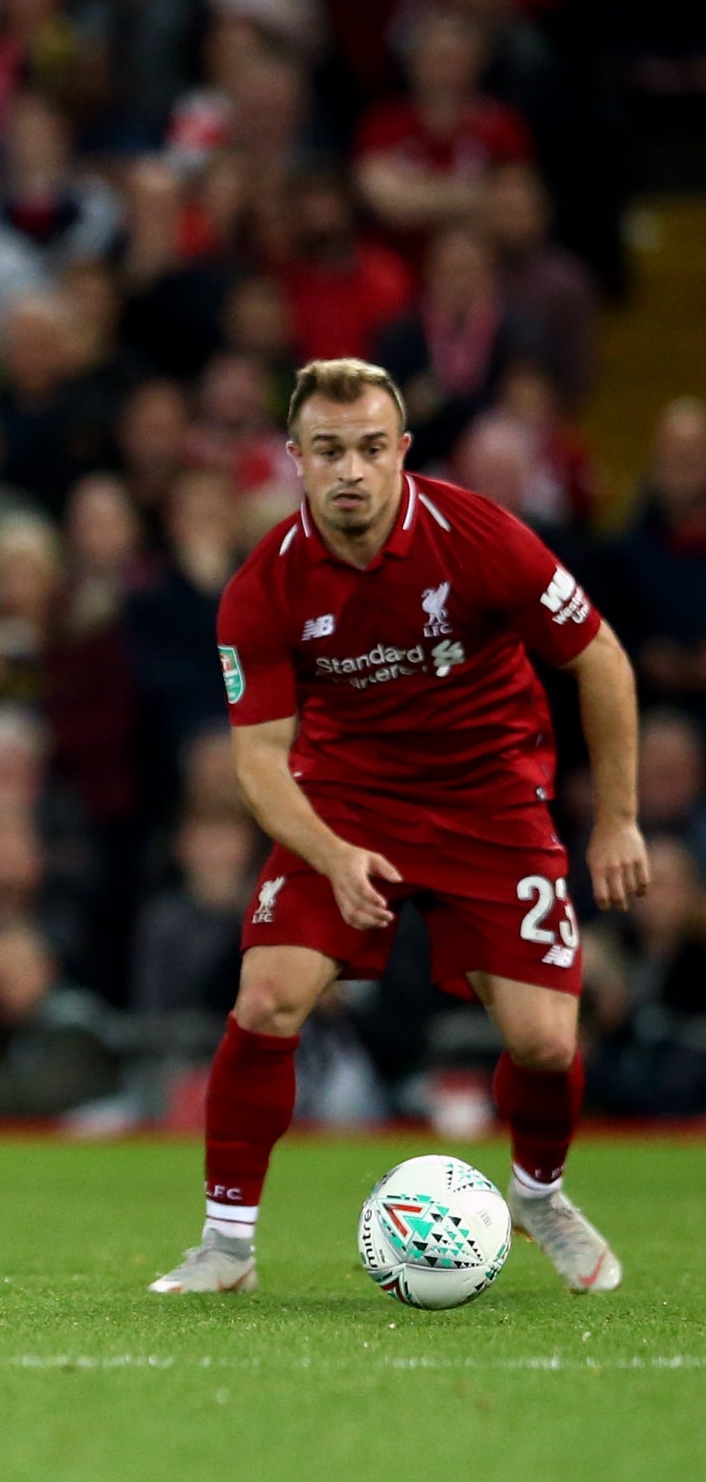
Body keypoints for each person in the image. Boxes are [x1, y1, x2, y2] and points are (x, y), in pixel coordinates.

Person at [150, 358, 649, 1296]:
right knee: (268, 999)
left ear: (402, 452)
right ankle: (225, 1244)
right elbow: (258, 760)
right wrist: (332, 854)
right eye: (329, 450)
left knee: (545, 1043)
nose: (352, 470)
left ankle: (539, 1193)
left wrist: (618, 819)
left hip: (490, 797)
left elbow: (605, 662)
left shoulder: (480, 536)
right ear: (294, 457)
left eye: (373, 448)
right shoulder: (264, 586)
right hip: (346, 799)